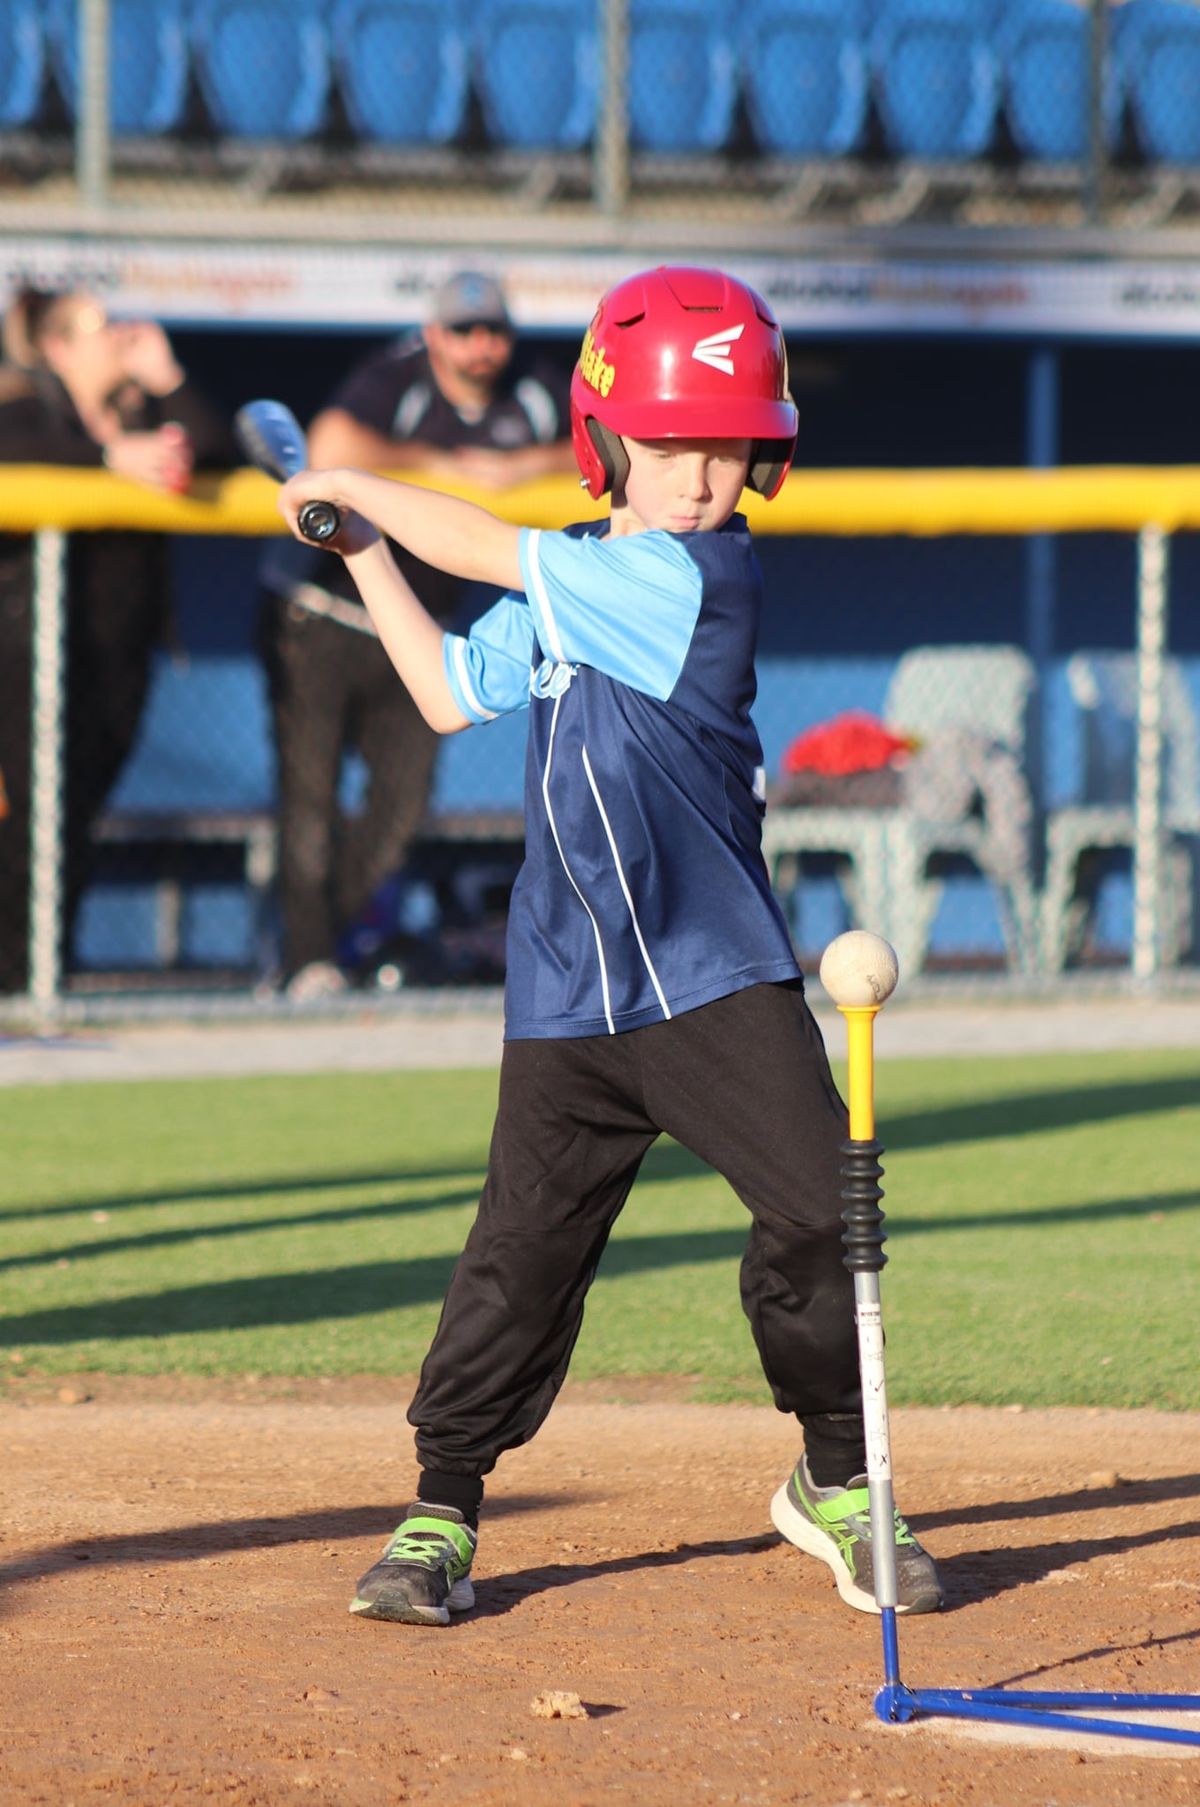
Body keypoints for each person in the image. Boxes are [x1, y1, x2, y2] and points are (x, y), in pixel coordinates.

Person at [277, 265, 943, 1626]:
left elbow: (484, 544)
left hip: (711, 973)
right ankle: (441, 1509)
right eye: (671, 442)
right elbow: (450, 691)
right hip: (568, 988)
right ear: (610, 441)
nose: (701, 473)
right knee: (519, 1255)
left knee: (822, 1207)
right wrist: (358, 549)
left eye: (728, 445)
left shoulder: (692, 573)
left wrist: (357, 482)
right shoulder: (579, 578)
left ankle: (837, 1478)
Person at [259, 270, 576, 1001]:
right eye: (463, 330)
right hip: (321, 614)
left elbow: (604, 439)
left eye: (492, 329)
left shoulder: (531, 390)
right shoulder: (396, 377)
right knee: (309, 802)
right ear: (433, 334)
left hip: (414, 630)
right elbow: (330, 440)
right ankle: (306, 963)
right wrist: (439, 465)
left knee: (401, 806)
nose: (480, 346)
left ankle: (320, 947)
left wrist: (524, 464)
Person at [0, 285, 237, 995]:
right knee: (29, 822)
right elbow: (15, 448)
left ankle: (44, 974)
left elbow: (224, 453)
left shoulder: (142, 410)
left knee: (75, 822)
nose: (119, 337)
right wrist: (108, 458)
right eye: (99, 328)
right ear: (58, 347)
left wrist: (167, 377)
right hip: (26, 656)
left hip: (116, 658)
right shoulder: (29, 406)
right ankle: (17, 978)